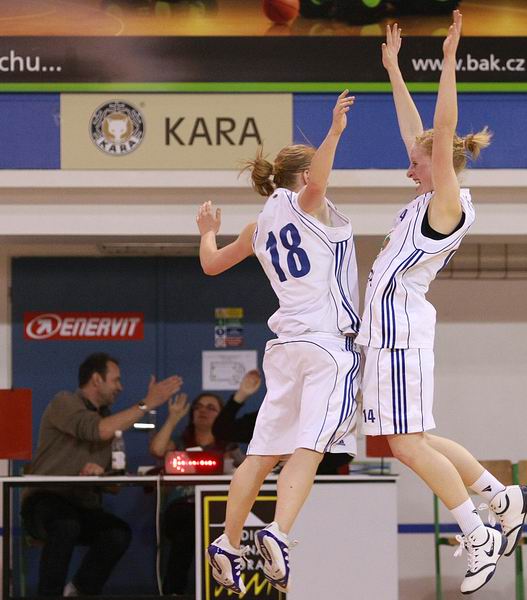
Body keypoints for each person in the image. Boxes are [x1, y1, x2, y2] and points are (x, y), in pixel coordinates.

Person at [355, 12, 527, 595]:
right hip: (391, 332)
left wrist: (450, 59)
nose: (407, 167)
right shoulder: (427, 193)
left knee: (406, 444)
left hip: (400, 331)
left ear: (440, 166)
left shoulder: (447, 203)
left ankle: (478, 532)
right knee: (420, 439)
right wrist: (394, 71)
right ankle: (501, 497)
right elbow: (420, 131)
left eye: (416, 162)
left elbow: (442, 124)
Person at [197, 90, 360, 595]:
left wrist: (207, 231)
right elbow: (321, 179)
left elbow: (211, 265)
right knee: (311, 448)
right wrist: (334, 131)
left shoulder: (258, 225)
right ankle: (279, 532)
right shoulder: (308, 203)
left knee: (262, 453)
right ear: (305, 176)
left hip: (285, 349)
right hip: (325, 346)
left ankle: (227, 543)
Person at [21, 352, 182, 597]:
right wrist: (147, 403)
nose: (120, 387)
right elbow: (97, 430)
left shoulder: (110, 419)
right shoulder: (63, 402)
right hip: (45, 500)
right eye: (116, 380)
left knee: (117, 533)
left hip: (81, 504)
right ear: (97, 379)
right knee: (65, 524)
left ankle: (78, 592)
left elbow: (114, 485)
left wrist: (102, 474)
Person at [149, 385, 248, 595]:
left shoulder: (229, 448)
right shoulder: (178, 444)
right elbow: (157, 449)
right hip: (182, 508)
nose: (203, 411)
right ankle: (174, 592)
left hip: (219, 510)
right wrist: (173, 418)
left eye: (211, 408)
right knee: (187, 529)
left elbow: (249, 471)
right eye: (198, 407)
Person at [213, 369, 354, 474]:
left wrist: (298, 458)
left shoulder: (329, 415)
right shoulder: (271, 417)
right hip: (274, 489)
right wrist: (241, 395)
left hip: (322, 488)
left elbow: (344, 454)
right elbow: (222, 431)